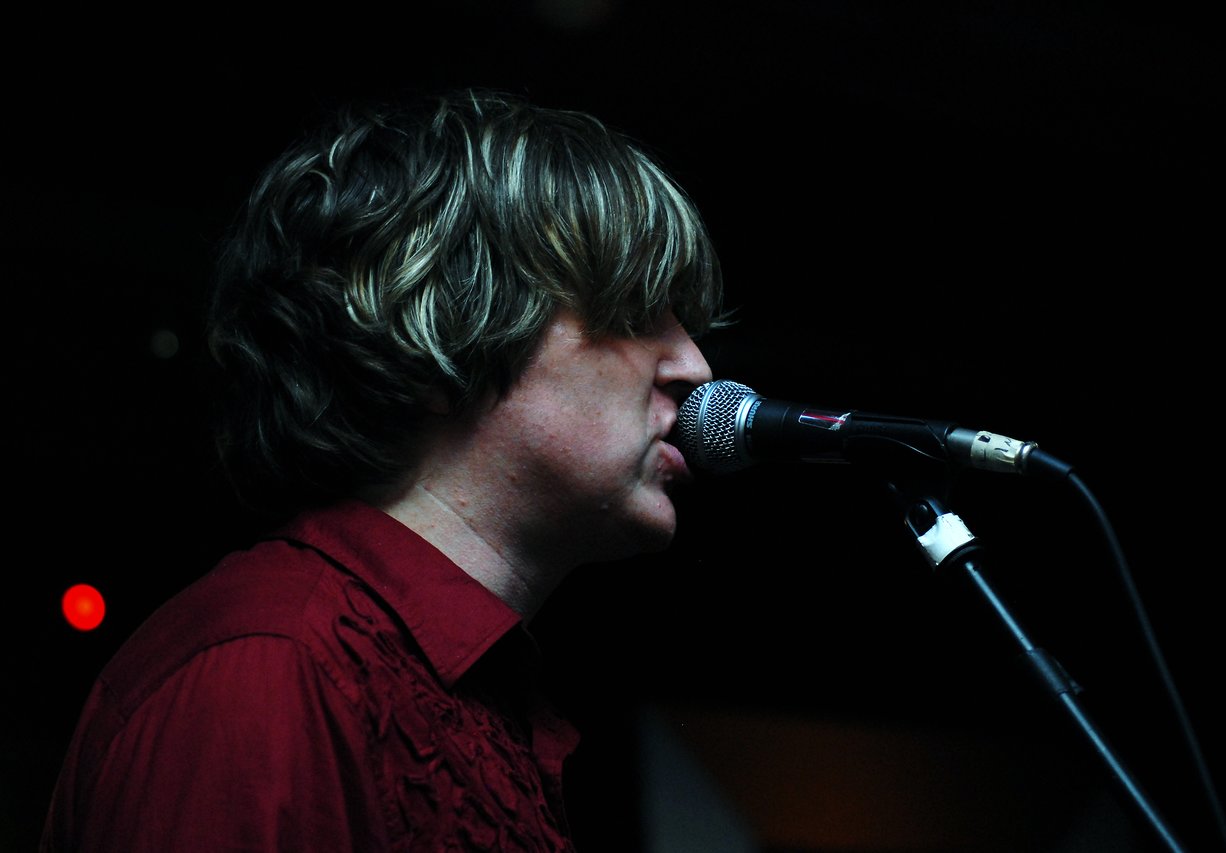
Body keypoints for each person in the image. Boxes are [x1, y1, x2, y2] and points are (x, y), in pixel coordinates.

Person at [40, 87, 728, 851]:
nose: (695, 364)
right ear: (444, 330)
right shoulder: (269, 668)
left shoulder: (478, 696)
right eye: (631, 311)